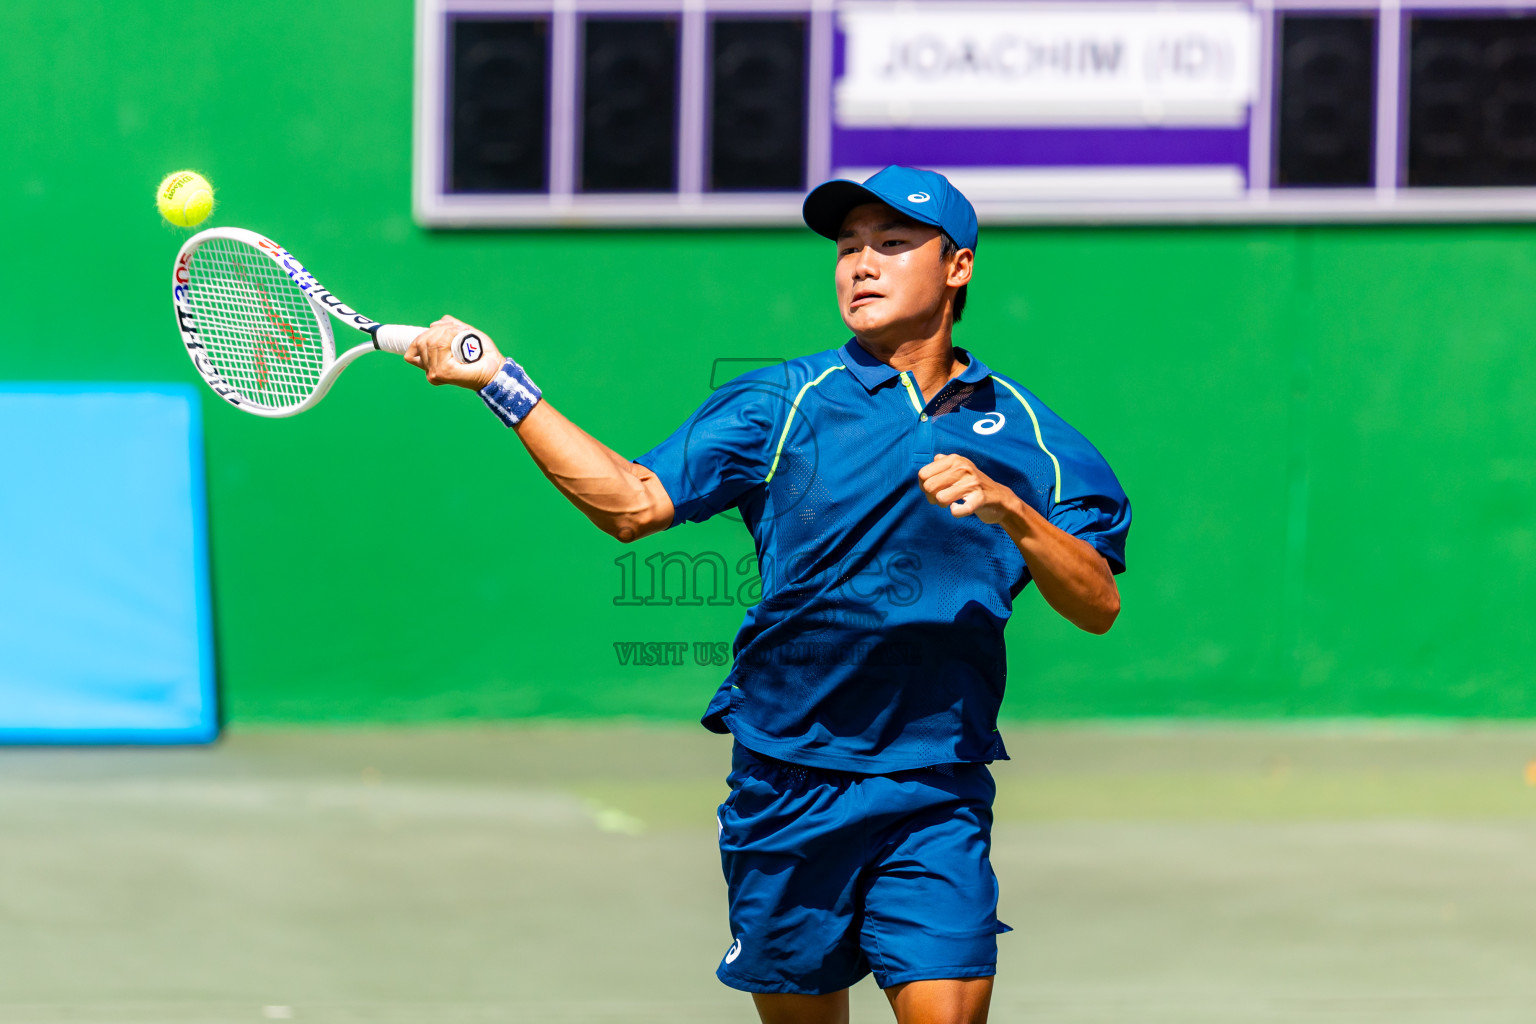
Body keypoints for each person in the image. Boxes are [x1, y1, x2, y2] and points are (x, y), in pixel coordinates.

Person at [404, 165, 1130, 1024]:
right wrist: (499, 381)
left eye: (892, 245)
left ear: (957, 267)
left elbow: (1096, 604)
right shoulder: (782, 403)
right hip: (788, 782)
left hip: (935, 781)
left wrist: (1013, 513)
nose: (861, 264)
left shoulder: (1030, 436)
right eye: (848, 247)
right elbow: (631, 504)